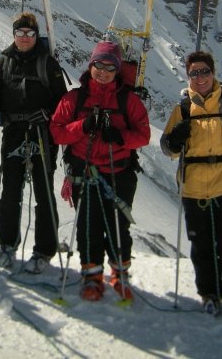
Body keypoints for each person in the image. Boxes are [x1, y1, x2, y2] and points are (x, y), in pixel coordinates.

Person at [160, 50, 222, 326]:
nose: (200, 77)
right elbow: (166, 148)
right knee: (201, 245)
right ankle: (209, 295)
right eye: (195, 73)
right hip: (193, 187)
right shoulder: (182, 108)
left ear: (213, 73)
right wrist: (174, 141)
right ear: (188, 75)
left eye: (205, 71)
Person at [50, 41, 151, 301]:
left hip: (118, 173)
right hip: (85, 172)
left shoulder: (128, 100)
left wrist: (119, 136)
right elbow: (57, 131)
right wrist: (83, 126)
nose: (103, 71)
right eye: (99, 65)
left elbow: (143, 135)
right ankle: (92, 276)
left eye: (110, 67)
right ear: (91, 65)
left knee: (118, 226)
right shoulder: (75, 98)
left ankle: (119, 274)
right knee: (88, 226)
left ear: (118, 70)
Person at [0, 12, 68, 273]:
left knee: (43, 194)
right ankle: (7, 246)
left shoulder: (49, 65)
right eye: (20, 33)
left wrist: (48, 114)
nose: (24, 38)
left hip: (41, 135)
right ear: (14, 35)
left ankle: (44, 251)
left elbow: (63, 103)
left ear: (36, 36)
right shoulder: (4, 63)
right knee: (10, 192)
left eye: (30, 34)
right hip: (13, 133)